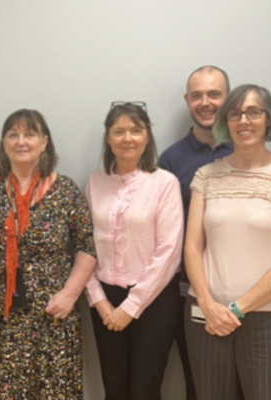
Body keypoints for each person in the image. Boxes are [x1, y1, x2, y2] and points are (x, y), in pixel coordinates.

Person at [184, 84, 271, 400]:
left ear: (269, 119)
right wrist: (208, 305)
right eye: (235, 113)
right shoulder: (206, 176)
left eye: (254, 112)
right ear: (225, 121)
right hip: (206, 316)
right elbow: (191, 248)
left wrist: (236, 309)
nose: (244, 121)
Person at [0, 109, 97, 400]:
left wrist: (69, 294)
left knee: (52, 392)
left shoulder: (64, 189)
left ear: (44, 142)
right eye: (13, 135)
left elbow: (87, 247)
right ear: (4, 144)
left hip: (52, 313)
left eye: (29, 134)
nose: (21, 141)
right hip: (1, 317)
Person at [86, 102, 184, 400]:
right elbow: (84, 246)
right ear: (108, 138)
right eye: (119, 131)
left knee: (145, 388)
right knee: (113, 386)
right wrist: (99, 300)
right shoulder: (94, 181)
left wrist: (131, 308)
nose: (127, 138)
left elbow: (169, 251)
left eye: (136, 130)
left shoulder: (164, 183)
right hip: (105, 299)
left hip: (153, 299)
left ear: (147, 137)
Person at [158, 65, 233, 400]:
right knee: (201, 385)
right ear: (187, 100)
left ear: (228, 98)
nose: (206, 102)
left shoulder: (249, 152)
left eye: (214, 94)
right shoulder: (171, 160)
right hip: (189, 291)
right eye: (198, 95)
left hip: (246, 292)